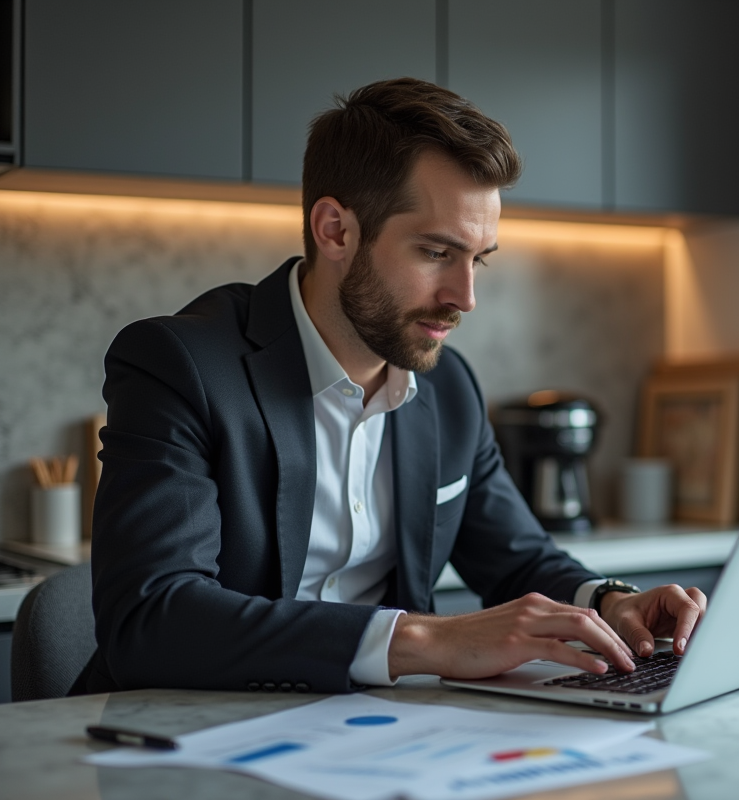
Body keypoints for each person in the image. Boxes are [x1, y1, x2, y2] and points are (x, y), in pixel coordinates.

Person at [75, 78, 707, 695]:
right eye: (436, 252)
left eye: (478, 258)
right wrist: (428, 641)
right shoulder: (180, 364)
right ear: (336, 231)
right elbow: (152, 619)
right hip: (185, 740)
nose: (465, 297)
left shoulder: (449, 388)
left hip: (378, 740)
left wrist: (609, 601)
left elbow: (518, 560)